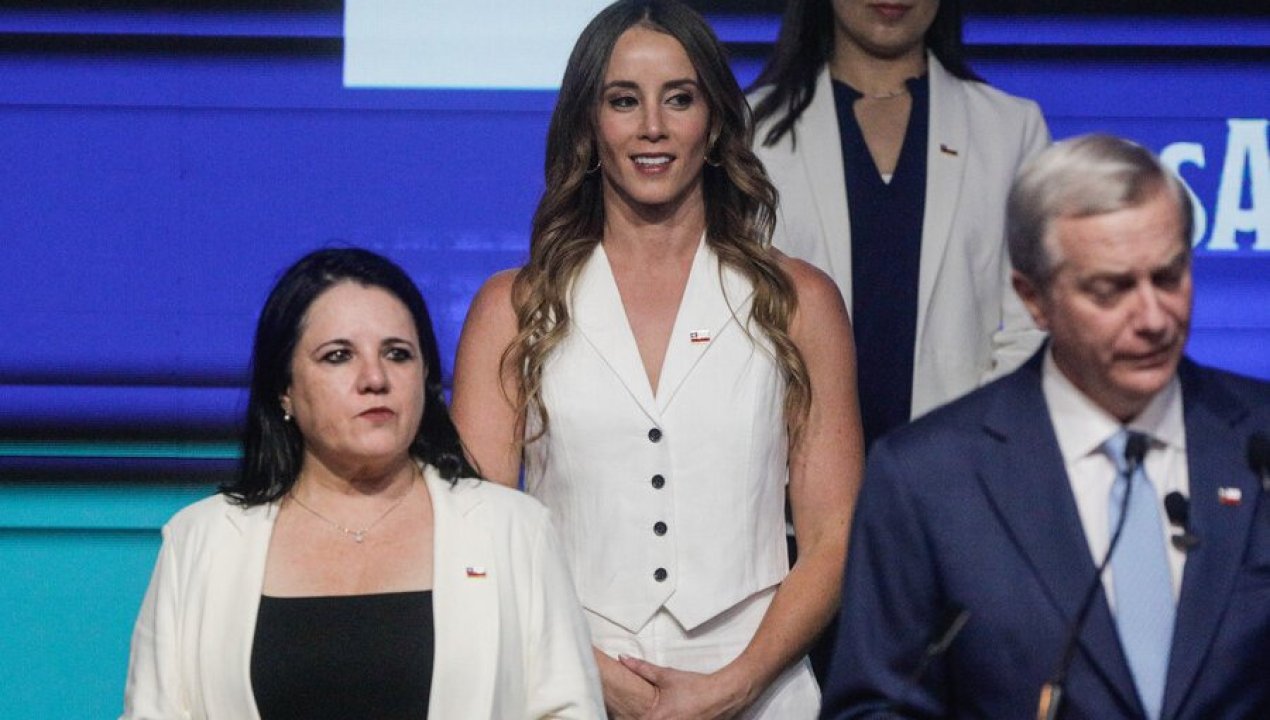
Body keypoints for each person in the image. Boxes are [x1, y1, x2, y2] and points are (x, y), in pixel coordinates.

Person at [451, 1, 863, 717]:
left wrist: (734, 686)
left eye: (679, 98)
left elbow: (835, 534)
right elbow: (477, 537)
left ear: (714, 123)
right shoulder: (513, 309)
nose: (652, 127)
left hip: (762, 689)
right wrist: (595, 676)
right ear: (589, 124)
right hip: (565, 685)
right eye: (623, 100)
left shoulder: (800, 302)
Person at [820, 135, 1270, 718]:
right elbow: (874, 708)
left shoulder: (1256, 443)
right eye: (1111, 289)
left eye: (1168, 278)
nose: (1153, 318)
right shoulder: (927, 480)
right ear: (1033, 299)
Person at [121, 248, 603, 719]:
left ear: (426, 376)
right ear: (284, 388)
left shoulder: (513, 530)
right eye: (338, 356)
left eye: (397, 354)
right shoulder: (201, 541)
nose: (375, 378)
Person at [749, 0, 1050, 450]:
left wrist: (966, 453)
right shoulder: (749, 131)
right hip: (793, 468)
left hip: (961, 467)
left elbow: (1037, 323)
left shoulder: (1010, 129)